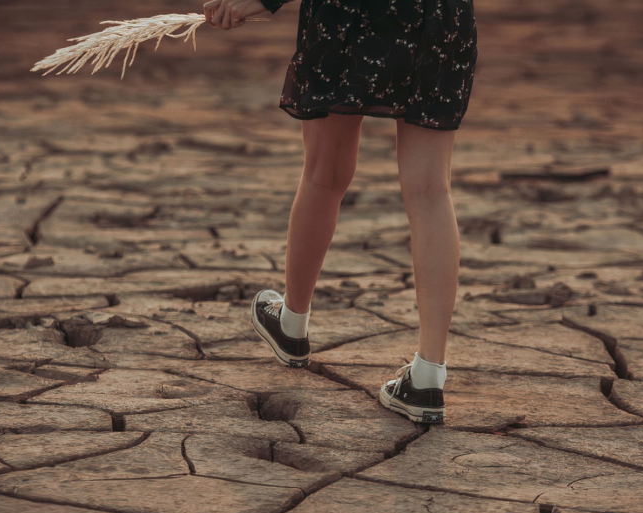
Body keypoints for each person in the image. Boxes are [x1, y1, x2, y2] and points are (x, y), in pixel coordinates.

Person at [203, 0, 477, 424]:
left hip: (351, 13)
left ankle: (292, 324)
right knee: (430, 191)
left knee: (324, 174)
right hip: (439, 15)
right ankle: (427, 377)